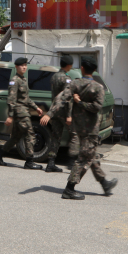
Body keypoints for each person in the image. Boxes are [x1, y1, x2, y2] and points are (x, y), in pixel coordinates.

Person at [41, 56, 118, 200]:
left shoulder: (75, 84)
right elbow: (96, 107)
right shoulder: (98, 87)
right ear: (95, 70)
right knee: (84, 159)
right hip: (90, 130)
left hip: (78, 127)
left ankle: (104, 183)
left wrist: (50, 113)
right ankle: (69, 189)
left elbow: (61, 98)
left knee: (91, 156)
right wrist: (81, 103)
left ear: (82, 68)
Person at [0, 57, 44, 170]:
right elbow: (11, 99)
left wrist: (36, 108)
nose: (24, 67)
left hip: (23, 111)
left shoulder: (23, 79)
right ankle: (29, 161)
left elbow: (26, 98)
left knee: (16, 137)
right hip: (20, 113)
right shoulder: (15, 80)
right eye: (21, 65)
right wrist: (10, 116)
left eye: (25, 65)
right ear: (16, 67)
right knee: (30, 134)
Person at [45, 55, 75, 173]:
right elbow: (67, 99)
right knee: (74, 135)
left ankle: (50, 163)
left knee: (56, 137)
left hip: (55, 111)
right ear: (68, 65)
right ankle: (72, 162)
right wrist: (69, 115)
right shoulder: (66, 79)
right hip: (63, 111)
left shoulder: (54, 77)